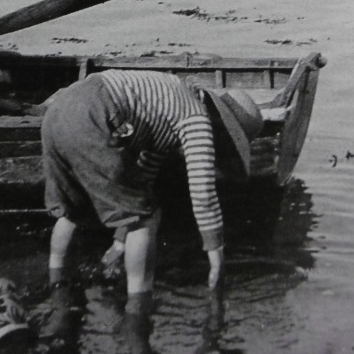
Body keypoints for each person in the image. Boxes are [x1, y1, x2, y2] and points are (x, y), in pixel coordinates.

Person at [39, 68, 263, 340]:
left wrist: (120, 242)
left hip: (59, 110)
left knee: (75, 209)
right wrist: (217, 259)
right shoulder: (197, 118)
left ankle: (58, 292)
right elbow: (203, 195)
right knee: (147, 218)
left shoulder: (171, 102)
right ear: (223, 128)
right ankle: (137, 311)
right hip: (97, 113)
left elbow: (141, 179)